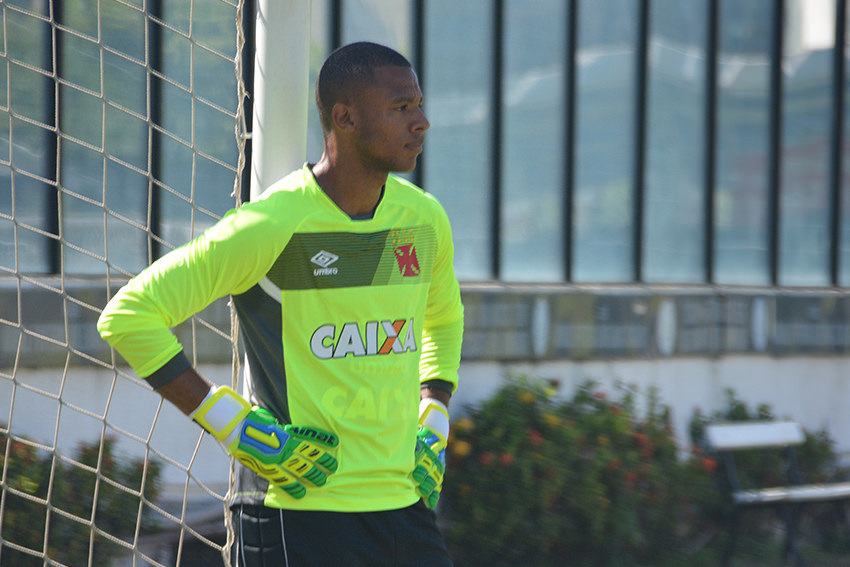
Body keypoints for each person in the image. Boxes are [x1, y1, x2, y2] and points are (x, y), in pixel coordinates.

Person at [97, 41, 463, 566]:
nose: (421, 122)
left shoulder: (425, 220)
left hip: (405, 507)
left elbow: (443, 320)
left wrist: (434, 412)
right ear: (346, 118)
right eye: (401, 107)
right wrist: (235, 425)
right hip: (295, 511)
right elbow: (130, 316)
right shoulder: (272, 224)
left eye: (419, 105)